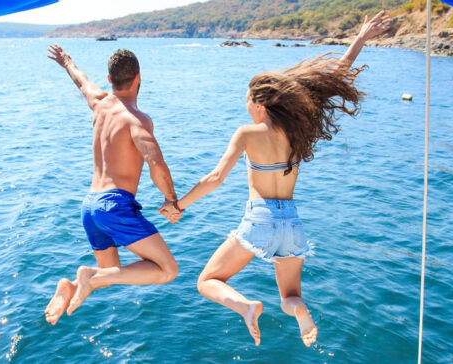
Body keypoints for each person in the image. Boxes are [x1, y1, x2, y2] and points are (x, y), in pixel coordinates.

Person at [170, 12, 393, 346]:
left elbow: (215, 178)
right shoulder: (297, 130)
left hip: (260, 218)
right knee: (290, 297)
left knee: (208, 280)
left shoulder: (247, 132)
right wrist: (359, 39)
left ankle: (245, 306)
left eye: (247, 98)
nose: (244, 104)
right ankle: (301, 312)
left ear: (259, 102)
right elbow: (332, 80)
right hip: (292, 223)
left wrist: (178, 205)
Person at [43, 45, 181, 325]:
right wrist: (170, 199)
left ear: (109, 79)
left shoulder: (99, 102)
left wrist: (67, 61)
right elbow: (155, 163)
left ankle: (72, 284)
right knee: (167, 270)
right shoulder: (137, 120)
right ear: (138, 78)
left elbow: (81, 80)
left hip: (90, 206)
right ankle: (86, 277)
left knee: (110, 273)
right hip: (114, 205)